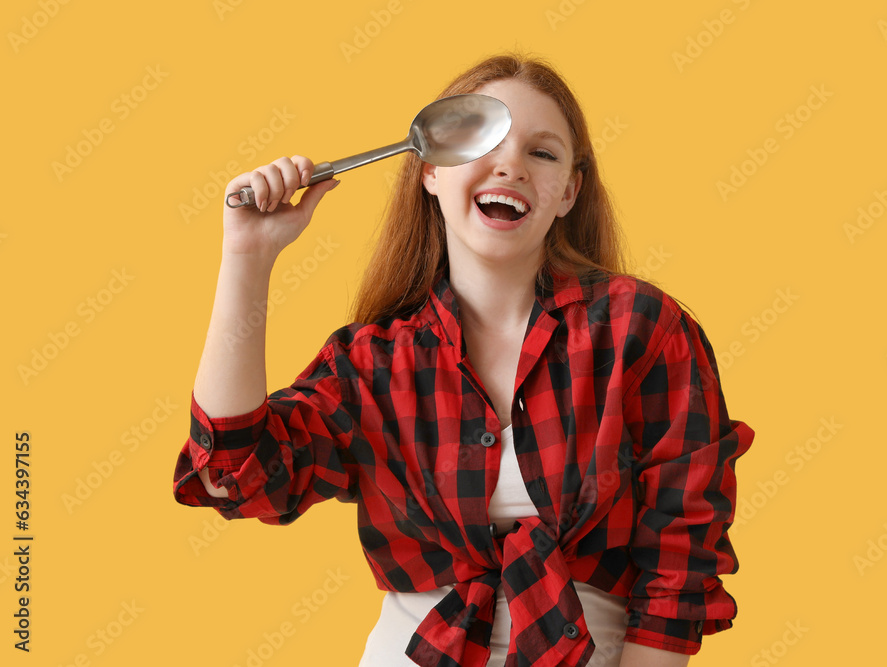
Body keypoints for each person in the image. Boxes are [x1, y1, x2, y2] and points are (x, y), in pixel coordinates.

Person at [172, 51, 754, 667]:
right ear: (428, 171)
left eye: (543, 152)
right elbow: (233, 476)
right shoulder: (372, 364)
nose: (511, 165)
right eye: (483, 141)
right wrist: (247, 257)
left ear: (568, 193)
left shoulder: (641, 330)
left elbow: (681, 562)